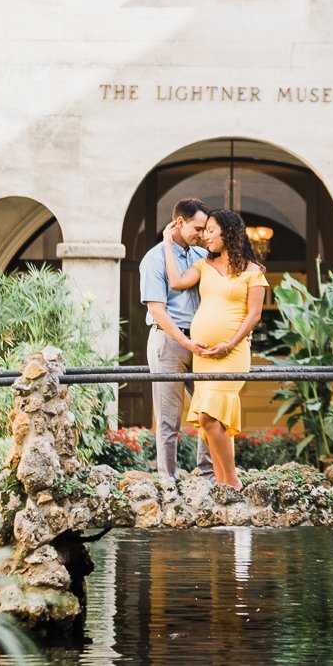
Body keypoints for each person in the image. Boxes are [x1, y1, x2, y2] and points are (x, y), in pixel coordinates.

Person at [162, 207, 268, 491]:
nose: (205, 236)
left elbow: (254, 315)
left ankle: (232, 480)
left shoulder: (253, 271)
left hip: (231, 354)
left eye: (211, 230)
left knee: (211, 416)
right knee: (210, 422)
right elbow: (175, 281)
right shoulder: (203, 267)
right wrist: (166, 243)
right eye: (204, 230)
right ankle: (224, 484)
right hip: (204, 356)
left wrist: (230, 343)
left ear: (228, 233)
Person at [139, 197, 215, 485]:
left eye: (205, 228)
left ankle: (206, 474)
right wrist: (185, 341)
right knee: (169, 418)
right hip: (169, 341)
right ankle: (168, 480)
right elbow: (157, 309)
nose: (202, 234)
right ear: (179, 223)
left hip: (202, 343)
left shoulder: (201, 257)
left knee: (210, 409)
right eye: (197, 227)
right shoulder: (154, 258)